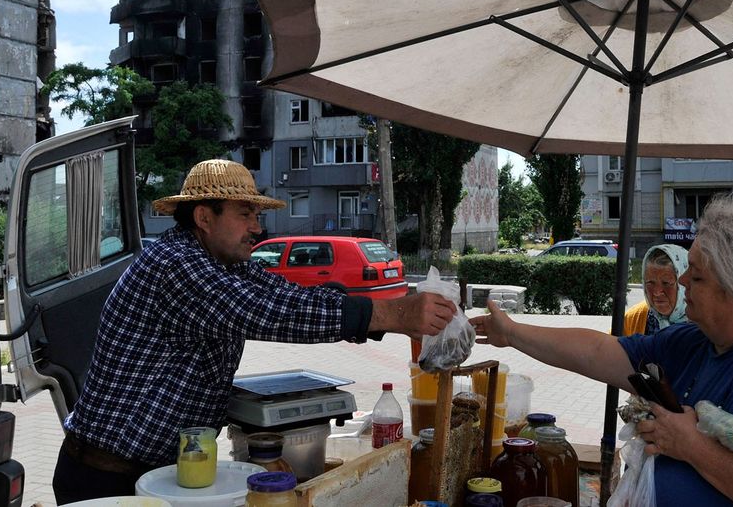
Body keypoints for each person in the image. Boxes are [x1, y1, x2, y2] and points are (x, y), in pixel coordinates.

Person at [53, 159, 457, 503]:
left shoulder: (225, 263)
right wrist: (392, 314)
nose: (257, 228)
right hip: (105, 476)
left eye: (257, 216)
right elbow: (268, 312)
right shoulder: (175, 263)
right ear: (204, 217)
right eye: (244, 213)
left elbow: (287, 293)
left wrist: (387, 314)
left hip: (166, 470)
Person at [470, 198, 733, 506]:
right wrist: (512, 332)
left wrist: (694, 447)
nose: (681, 281)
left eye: (696, 275)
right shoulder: (698, 341)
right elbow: (600, 352)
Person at [624, 244, 689, 336]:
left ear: (684, 284)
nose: (657, 292)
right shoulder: (634, 318)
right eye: (650, 283)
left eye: (666, 283)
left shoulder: (707, 326)